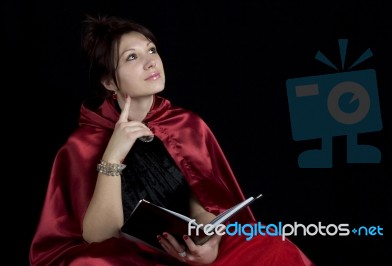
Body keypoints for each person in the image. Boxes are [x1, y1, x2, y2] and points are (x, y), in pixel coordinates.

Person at [29, 14, 314, 266]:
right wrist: (112, 158)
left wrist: (207, 245)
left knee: (271, 244)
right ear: (109, 82)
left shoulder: (186, 124)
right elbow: (98, 236)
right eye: (132, 57)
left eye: (151, 50)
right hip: (130, 257)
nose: (150, 61)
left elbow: (203, 204)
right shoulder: (83, 143)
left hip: (184, 251)